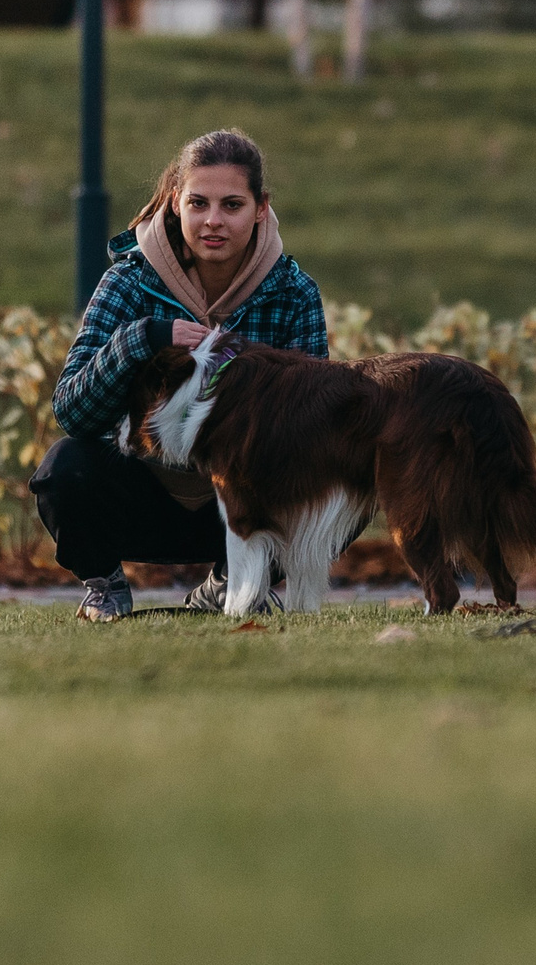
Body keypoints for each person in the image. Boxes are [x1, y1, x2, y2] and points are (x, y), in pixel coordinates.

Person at [31, 128, 328, 619]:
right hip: (142, 492)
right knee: (64, 468)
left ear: (260, 207)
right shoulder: (128, 281)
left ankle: (234, 582)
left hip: (245, 502)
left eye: (232, 205)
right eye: (198, 203)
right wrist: (140, 340)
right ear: (175, 203)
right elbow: (72, 411)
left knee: (334, 475)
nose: (213, 221)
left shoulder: (294, 294)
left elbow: (315, 434)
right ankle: (104, 585)